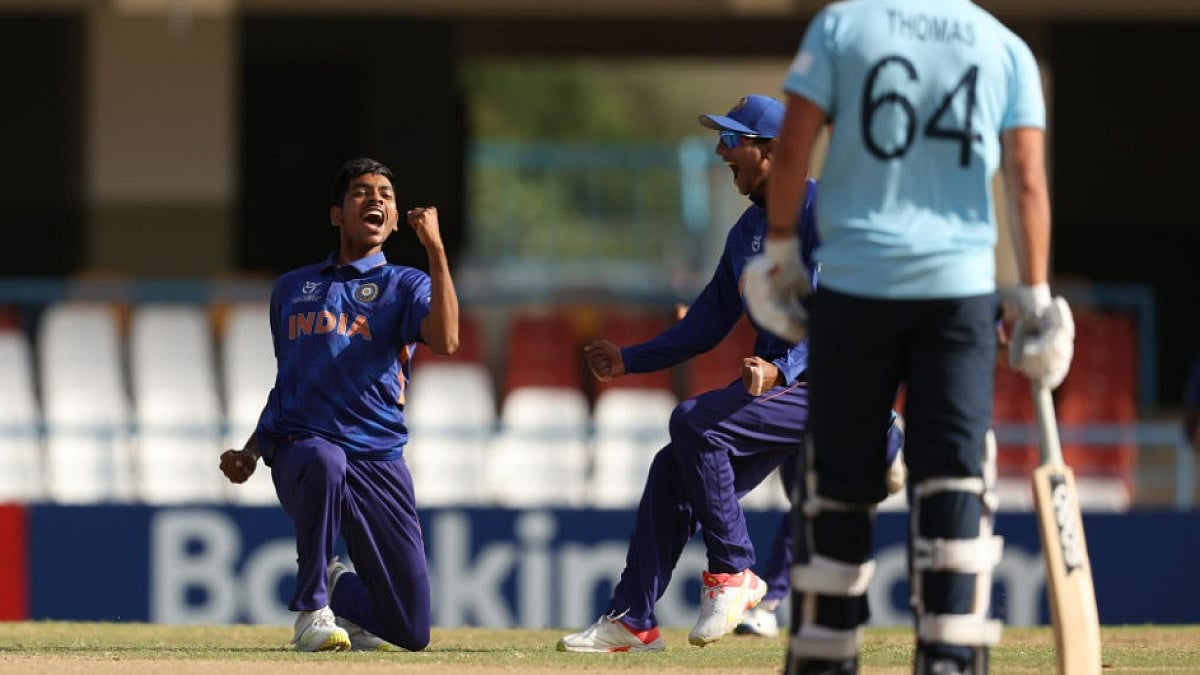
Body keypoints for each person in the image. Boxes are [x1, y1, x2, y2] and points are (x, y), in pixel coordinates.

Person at [742, 2, 1076, 673]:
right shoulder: (1004, 46)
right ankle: (951, 652)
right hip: (957, 295)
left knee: (838, 478)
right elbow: (1028, 183)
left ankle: (822, 652)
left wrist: (779, 253)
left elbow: (793, 150)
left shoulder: (841, 27)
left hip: (857, 286)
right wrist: (1036, 297)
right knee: (953, 475)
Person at [557, 94, 904, 653]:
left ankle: (736, 571)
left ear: (772, 151)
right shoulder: (746, 232)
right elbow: (704, 326)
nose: (721, 150)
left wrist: (782, 367)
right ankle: (632, 620)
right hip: (783, 388)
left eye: (732, 140)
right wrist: (630, 359)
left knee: (694, 422)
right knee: (672, 471)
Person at [219, 157, 460, 653]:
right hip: (304, 452)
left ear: (394, 221)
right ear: (336, 214)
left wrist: (435, 249)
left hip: (378, 459)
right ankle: (311, 611)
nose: (376, 199)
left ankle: (335, 586)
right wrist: (251, 448)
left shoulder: (406, 284)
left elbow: (448, 340)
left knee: (411, 631)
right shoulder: (291, 288)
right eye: (361, 192)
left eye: (386, 196)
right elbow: (291, 382)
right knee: (324, 457)